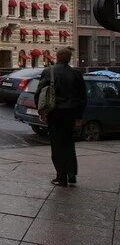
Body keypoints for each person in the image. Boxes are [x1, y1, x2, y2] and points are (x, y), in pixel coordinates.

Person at [34, 47, 87, 187]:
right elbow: (83, 97)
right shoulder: (76, 73)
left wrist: (41, 111)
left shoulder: (49, 71)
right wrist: (79, 116)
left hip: (55, 113)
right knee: (69, 143)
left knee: (57, 145)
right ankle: (72, 174)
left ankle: (61, 177)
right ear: (69, 58)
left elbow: (39, 93)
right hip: (71, 114)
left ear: (57, 57)